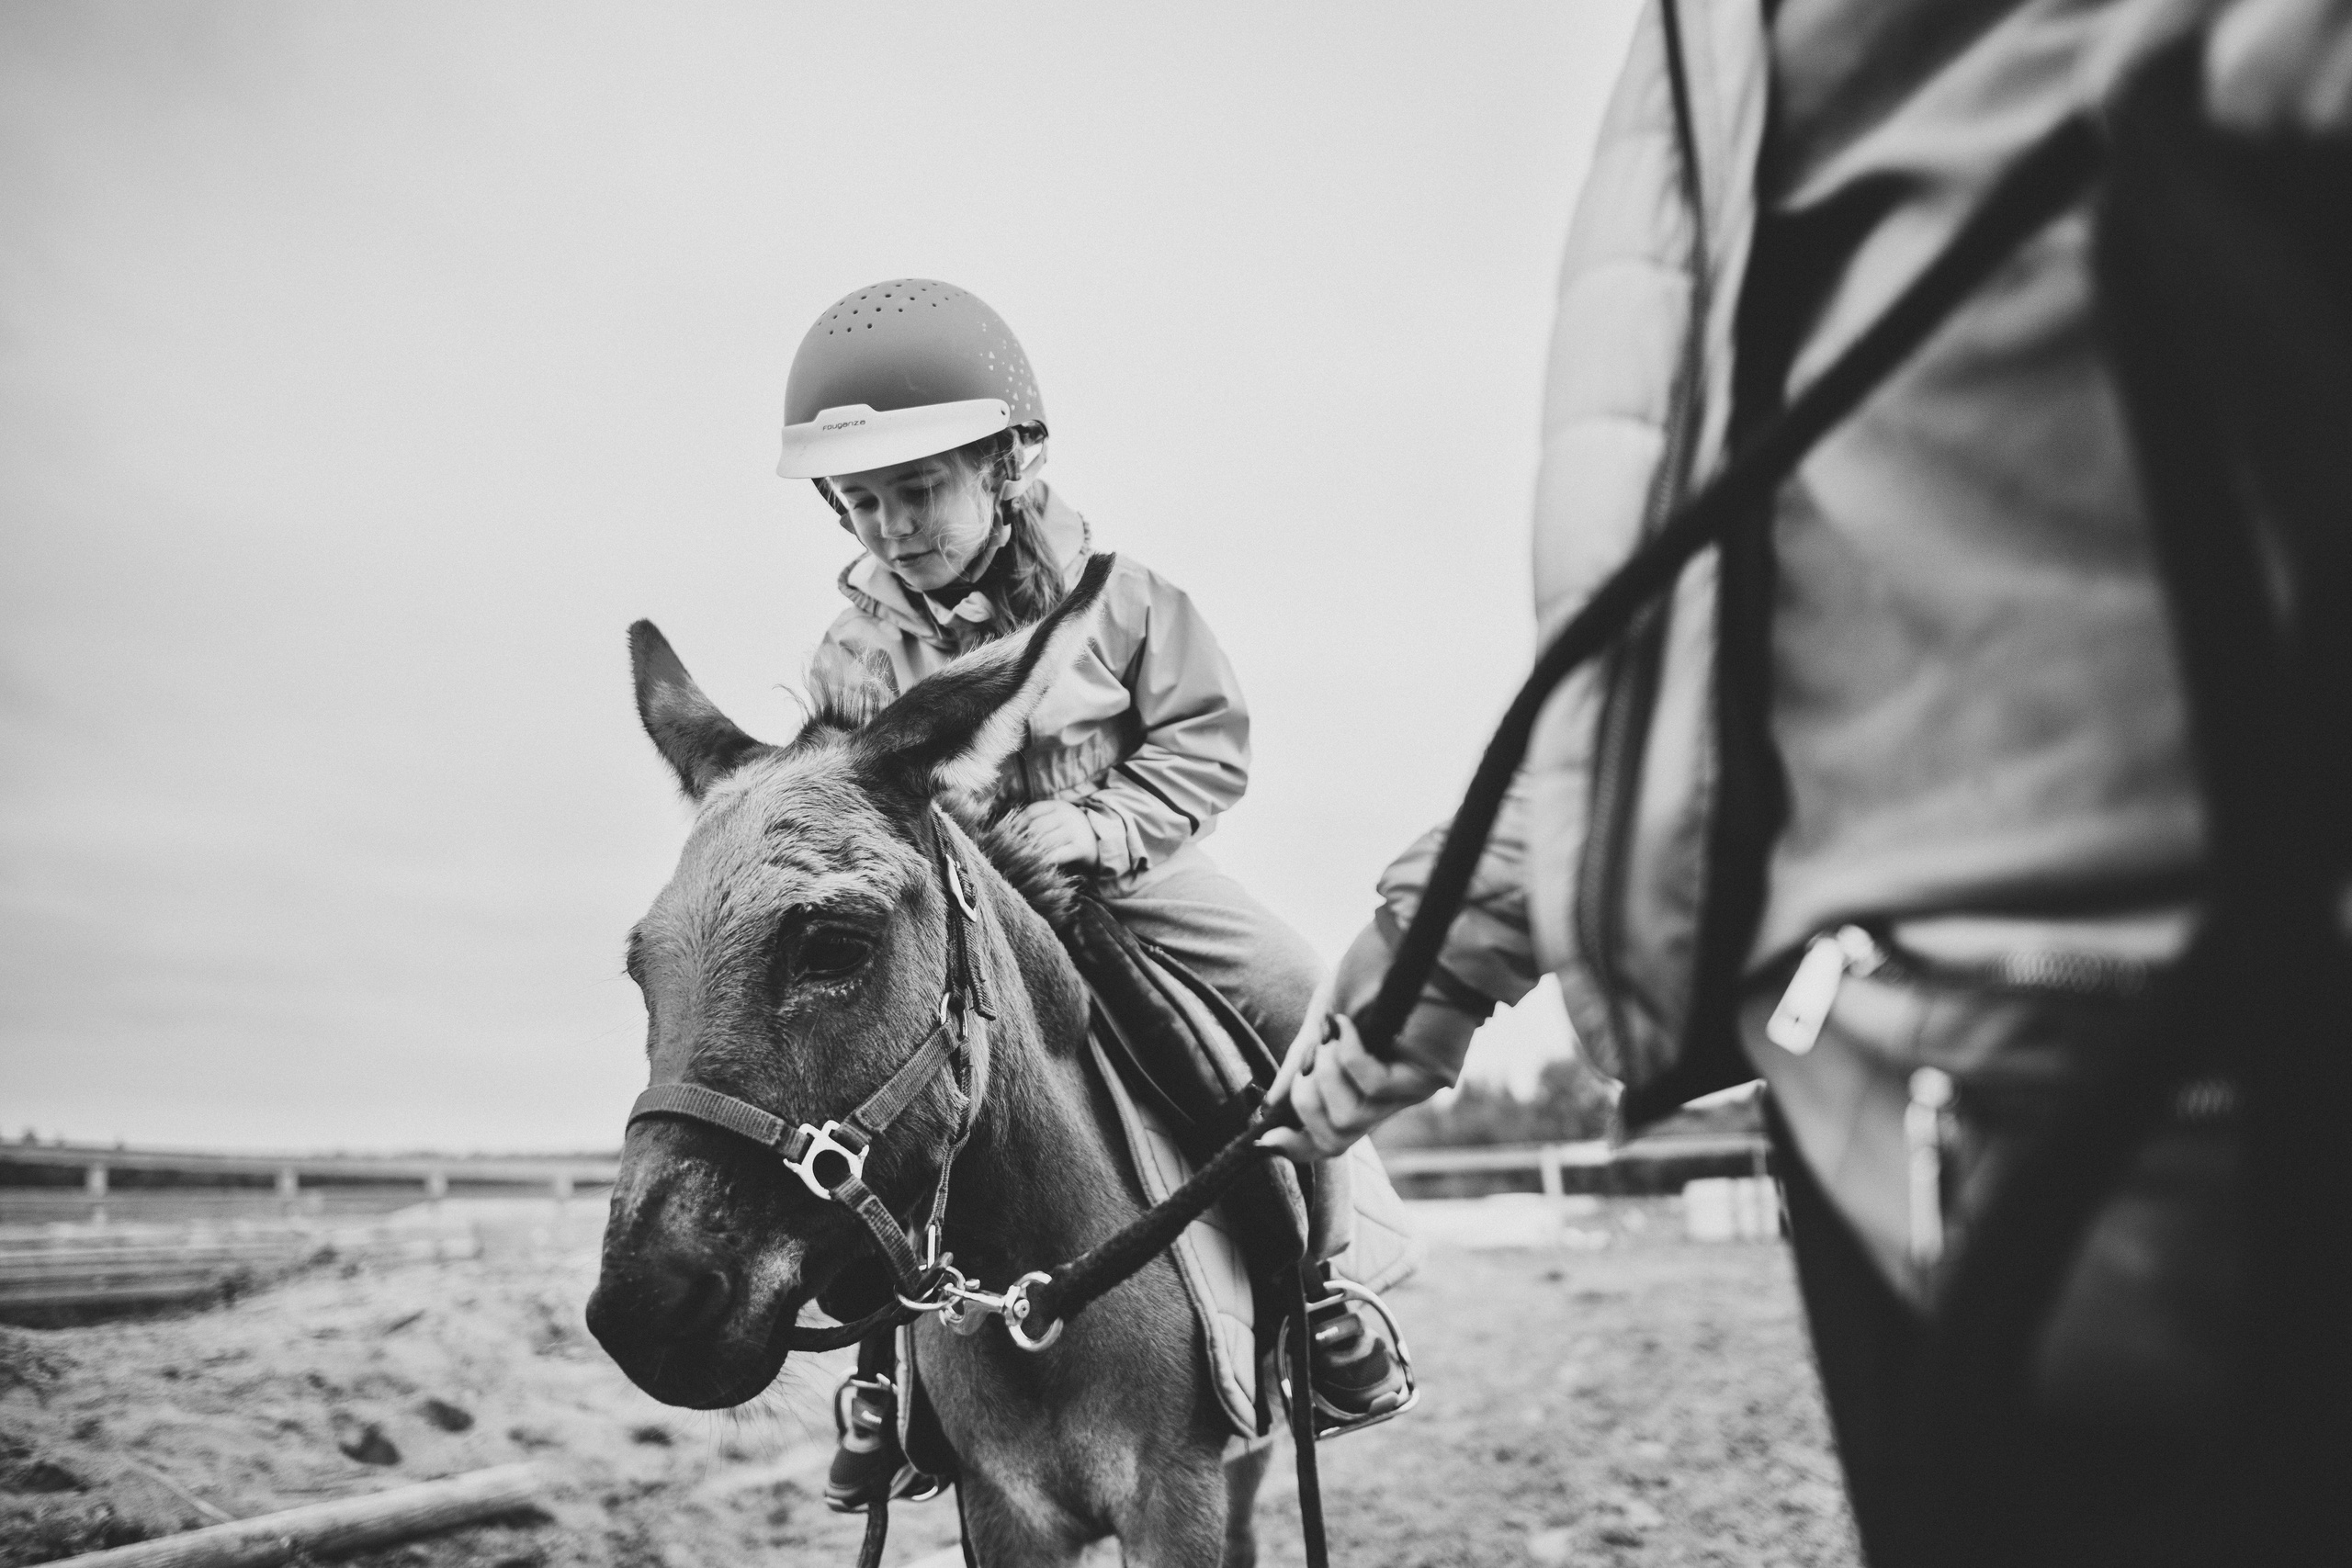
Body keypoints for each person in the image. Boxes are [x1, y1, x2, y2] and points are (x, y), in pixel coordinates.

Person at [1261, 3, 2352, 1564]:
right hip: (1892, 1111)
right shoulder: (1717, 53)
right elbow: (1694, 621)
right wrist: (1419, 963)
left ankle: (1321, 1294)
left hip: (2225, 1048)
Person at [774, 279, 1408, 1509]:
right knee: (846, 1084)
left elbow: (1208, 743)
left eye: (918, 489)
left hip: (1127, 877)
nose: (892, 526)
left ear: (1006, 467)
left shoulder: (1125, 599)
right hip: (960, 915)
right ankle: (882, 1377)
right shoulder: (850, 657)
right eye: (862, 500)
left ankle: (1330, 1295)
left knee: (1299, 993)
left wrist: (1101, 822)